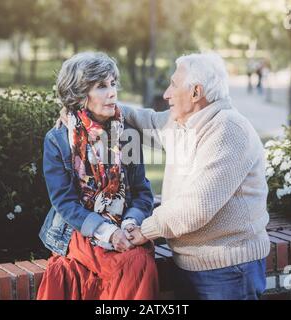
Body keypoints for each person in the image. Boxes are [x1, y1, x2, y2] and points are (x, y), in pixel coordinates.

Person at [59, 52, 271, 300]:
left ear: (195, 93)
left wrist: (145, 230)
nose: (166, 94)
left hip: (228, 269)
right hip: (193, 264)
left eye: (173, 85)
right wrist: (85, 109)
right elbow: (145, 119)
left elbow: (197, 207)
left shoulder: (227, 129)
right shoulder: (184, 123)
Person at [37, 52, 158, 300]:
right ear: (81, 95)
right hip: (79, 228)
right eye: (102, 86)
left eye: (113, 83)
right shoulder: (58, 139)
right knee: (126, 265)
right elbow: (65, 203)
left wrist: (129, 224)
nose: (112, 92)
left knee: (136, 261)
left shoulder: (127, 133)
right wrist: (107, 232)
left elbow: (142, 192)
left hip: (124, 227)